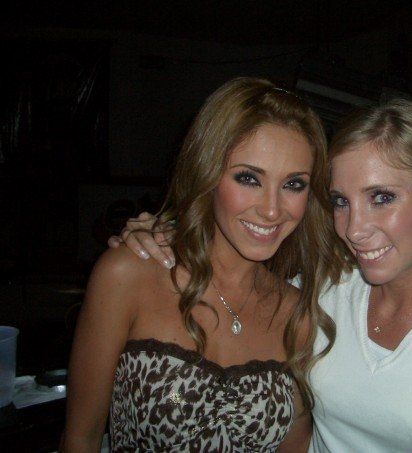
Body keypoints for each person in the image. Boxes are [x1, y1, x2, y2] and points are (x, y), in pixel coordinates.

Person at [115, 99, 412, 451]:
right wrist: (166, 235)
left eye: (381, 197)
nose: (353, 229)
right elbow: (235, 278)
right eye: (341, 201)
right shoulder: (325, 288)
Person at [64, 77, 347, 452]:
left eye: (293, 184)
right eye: (248, 178)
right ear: (207, 173)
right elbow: (80, 438)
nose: (272, 210)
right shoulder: (128, 274)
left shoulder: (297, 312)